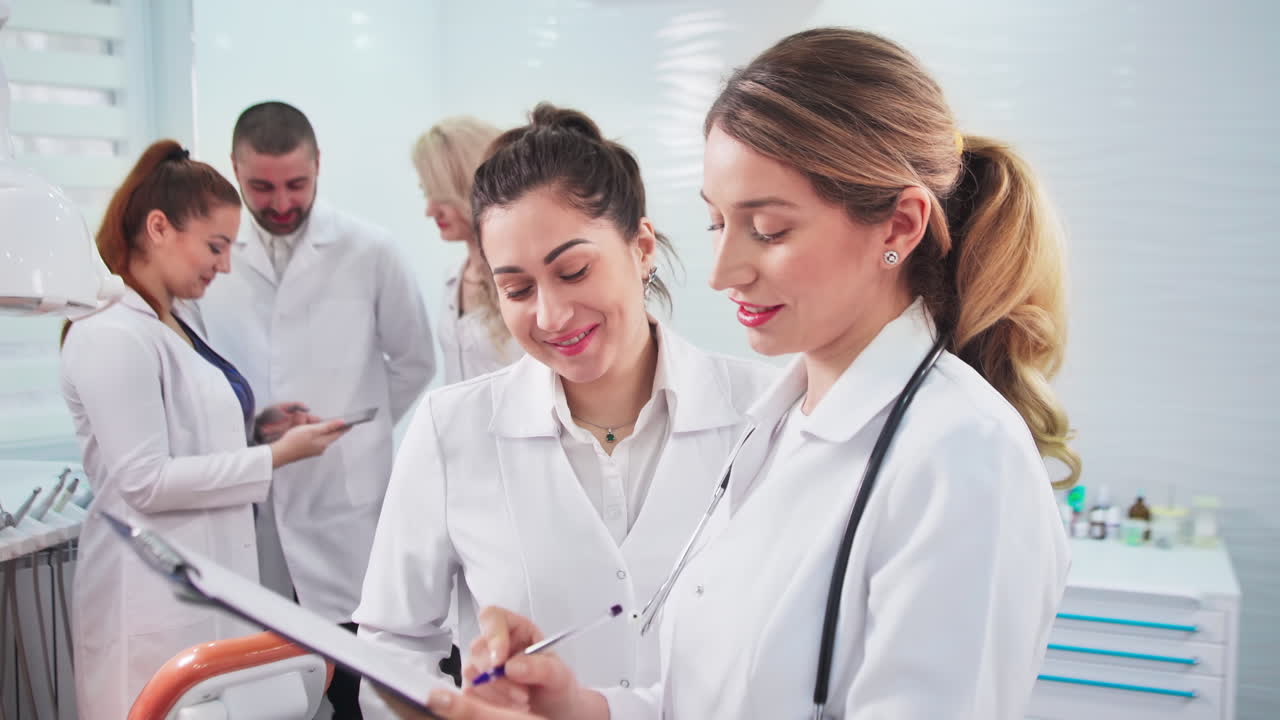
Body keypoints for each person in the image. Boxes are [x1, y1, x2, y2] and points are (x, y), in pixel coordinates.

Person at [409, 27, 1081, 720]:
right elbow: (705, 697)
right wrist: (579, 708)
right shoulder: (776, 427)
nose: (723, 271)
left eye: (767, 229)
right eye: (716, 223)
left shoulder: (963, 458)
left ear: (899, 227)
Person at [352, 104, 777, 718]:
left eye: (573, 270)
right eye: (517, 289)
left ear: (642, 247)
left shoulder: (767, 413)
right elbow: (392, 644)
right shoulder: (452, 431)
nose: (550, 316)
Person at [59, 140, 348, 720]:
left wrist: (261, 432)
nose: (224, 265)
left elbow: (186, 436)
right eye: (215, 246)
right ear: (159, 227)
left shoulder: (174, 322)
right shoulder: (109, 333)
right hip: (147, 600)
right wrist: (275, 459)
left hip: (208, 587)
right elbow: (144, 481)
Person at [196, 101, 436, 717]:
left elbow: (413, 361)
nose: (280, 203)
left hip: (348, 510)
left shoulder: (369, 249)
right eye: (261, 186)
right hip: (255, 506)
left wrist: (353, 431)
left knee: (358, 692)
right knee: (269, 691)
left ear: (319, 166)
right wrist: (254, 431)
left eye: (296, 184)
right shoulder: (214, 256)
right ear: (234, 169)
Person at [412, 117, 523, 384]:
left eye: (441, 196)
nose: (430, 211)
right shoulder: (454, 278)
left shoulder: (524, 281)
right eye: (426, 193)